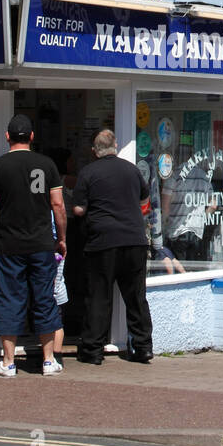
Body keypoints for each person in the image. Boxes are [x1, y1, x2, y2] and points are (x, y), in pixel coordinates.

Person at [0, 114, 66, 377]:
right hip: (42, 244)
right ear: (32, 137)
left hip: (9, 245)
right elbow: (58, 205)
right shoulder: (47, 164)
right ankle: (48, 361)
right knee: (44, 298)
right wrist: (61, 238)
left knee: (8, 299)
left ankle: (8, 362)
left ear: (7, 137)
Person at [72, 130, 153, 365]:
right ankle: (143, 347)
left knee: (99, 296)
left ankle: (92, 351)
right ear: (115, 145)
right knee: (136, 297)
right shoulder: (132, 170)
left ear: (94, 151)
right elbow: (143, 201)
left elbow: (78, 210)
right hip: (134, 240)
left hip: (103, 242)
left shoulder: (88, 173)